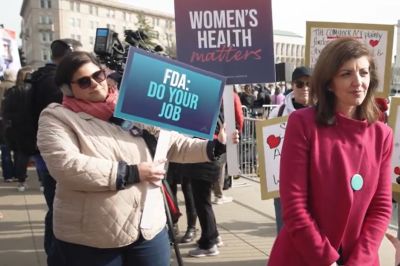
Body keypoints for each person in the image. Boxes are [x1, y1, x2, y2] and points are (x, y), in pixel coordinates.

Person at [36, 51, 239, 266]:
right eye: (84, 82)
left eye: (98, 76)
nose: (95, 84)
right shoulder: (57, 117)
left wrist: (215, 146)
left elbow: (170, 144)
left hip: (148, 227)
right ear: (68, 89)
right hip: (93, 236)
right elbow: (67, 167)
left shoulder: (132, 105)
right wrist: (133, 172)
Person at [268, 37, 393, 266]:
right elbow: (295, 205)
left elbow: (381, 207)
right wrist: (326, 260)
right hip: (305, 255)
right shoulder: (302, 124)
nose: (358, 82)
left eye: (363, 73)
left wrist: (359, 261)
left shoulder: (382, 134)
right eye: (346, 74)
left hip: (359, 258)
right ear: (328, 82)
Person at [30, 38, 82, 256]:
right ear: (69, 54)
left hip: (44, 152)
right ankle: (57, 255)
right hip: (58, 152)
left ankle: (54, 253)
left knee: (54, 206)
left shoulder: (41, 77)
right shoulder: (56, 82)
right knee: (59, 209)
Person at [268, 66, 311, 233]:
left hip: (313, 182)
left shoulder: (323, 111)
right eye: (300, 84)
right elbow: (266, 145)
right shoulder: (277, 112)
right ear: (292, 85)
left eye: (309, 83)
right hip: (282, 182)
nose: (305, 88)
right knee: (284, 228)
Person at [1, 66, 35, 191]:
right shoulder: (33, 90)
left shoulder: (13, 91)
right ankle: (42, 181)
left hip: (17, 127)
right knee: (37, 154)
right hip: (31, 126)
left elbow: (6, 110)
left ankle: (21, 180)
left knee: (21, 154)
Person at [0, 69, 17, 183]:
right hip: (10, 121)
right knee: (15, 148)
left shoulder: (1, 86)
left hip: (2, 119)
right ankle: (17, 173)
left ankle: (7, 175)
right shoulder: (14, 87)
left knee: (4, 147)